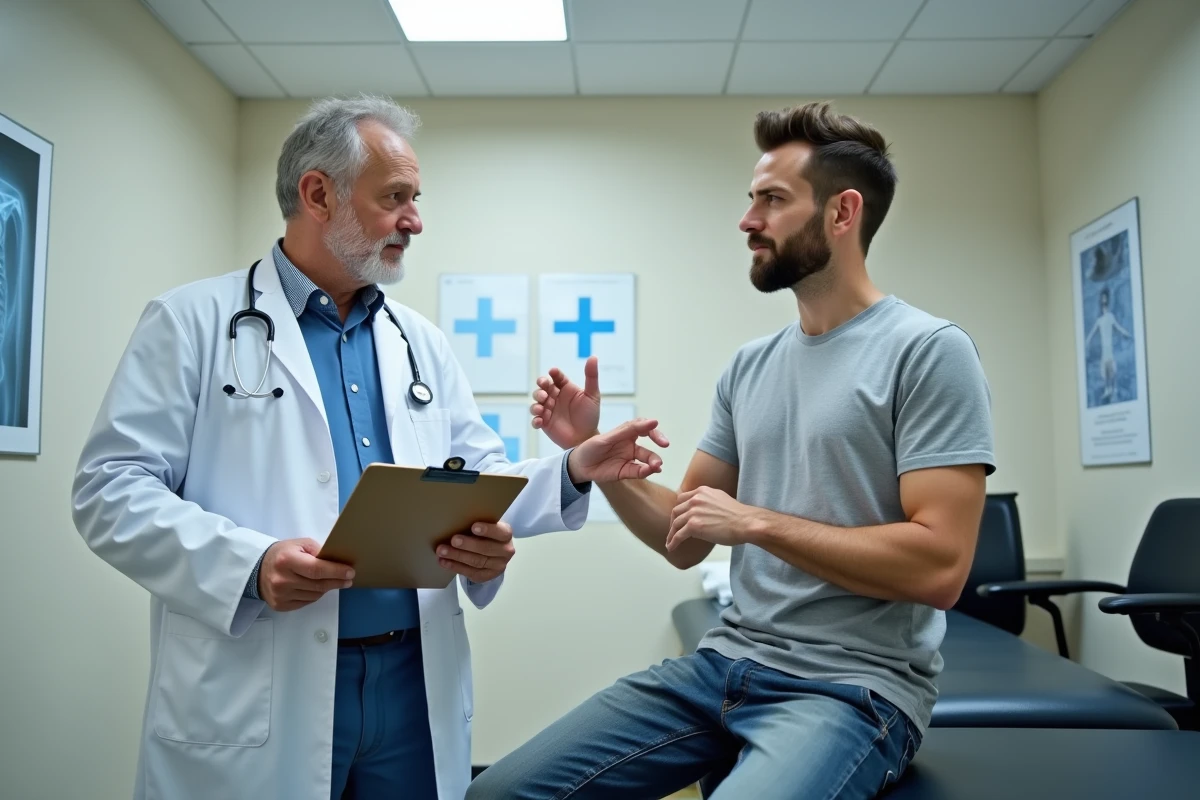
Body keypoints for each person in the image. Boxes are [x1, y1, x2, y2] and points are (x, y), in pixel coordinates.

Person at [71, 95, 665, 800]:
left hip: (411, 682)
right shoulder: (192, 322)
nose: (416, 220)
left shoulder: (420, 342)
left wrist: (571, 468)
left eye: (415, 198)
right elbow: (109, 490)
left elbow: (473, 480)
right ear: (317, 194)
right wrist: (249, 564)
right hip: (261, 675)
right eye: (395, 198)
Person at [469, 101, 995, 799]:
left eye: (772, 201)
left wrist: (756, 523)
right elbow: (684, 538)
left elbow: (940, 569)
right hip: (723, 667)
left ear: (842, 214)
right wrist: (597, 461)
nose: (748, 221)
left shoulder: (928, 352)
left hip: (853, 690)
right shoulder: (751, 366)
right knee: (497, 794)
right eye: (751, 200)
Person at [1085, 287, 1131, 403]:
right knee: (1105, 368)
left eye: (1105, 300)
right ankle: (1108, 389)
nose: (1104, 304)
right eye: (1102, 301)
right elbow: (1092, 332)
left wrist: (1125, 332)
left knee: (1111, 367)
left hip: (1109, 347)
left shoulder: (1110, 317)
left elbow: (1117, 327)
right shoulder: (1099, 320)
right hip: (1104, 348)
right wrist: (1087, 341)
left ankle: (1113, 388)